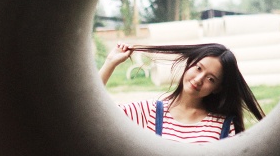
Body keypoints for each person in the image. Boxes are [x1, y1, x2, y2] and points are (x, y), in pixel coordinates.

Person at [100, 43, 265, 143]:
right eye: (198, 68)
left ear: (218, 88)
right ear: (189, 64)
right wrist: (110, 63)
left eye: (211, 79)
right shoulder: (150, 112)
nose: (199, 79)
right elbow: (97, 113)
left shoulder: (222, 125)